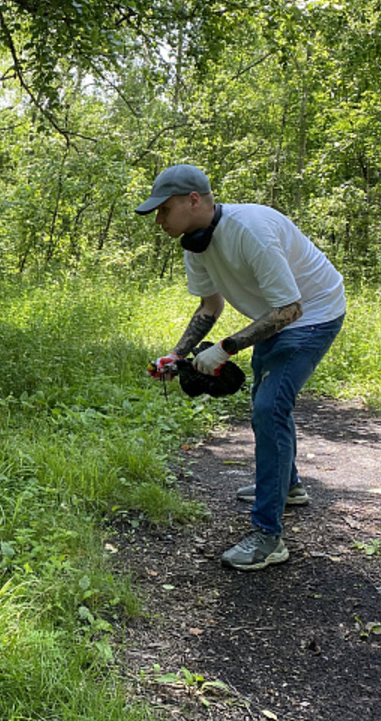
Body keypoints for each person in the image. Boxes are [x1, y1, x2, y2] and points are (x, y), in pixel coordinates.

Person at [138, 164, 346, 571]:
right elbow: (209, 306)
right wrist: (177, 355)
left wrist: (227, 348)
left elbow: (291, 308)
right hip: (275, 314)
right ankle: (288, 488)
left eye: (163, 210)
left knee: (270, 407)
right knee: (267, 401)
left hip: (313, 314)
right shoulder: (196, 243)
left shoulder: (249, 230)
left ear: (193, 200)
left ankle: (269, 536)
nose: (159, 220)